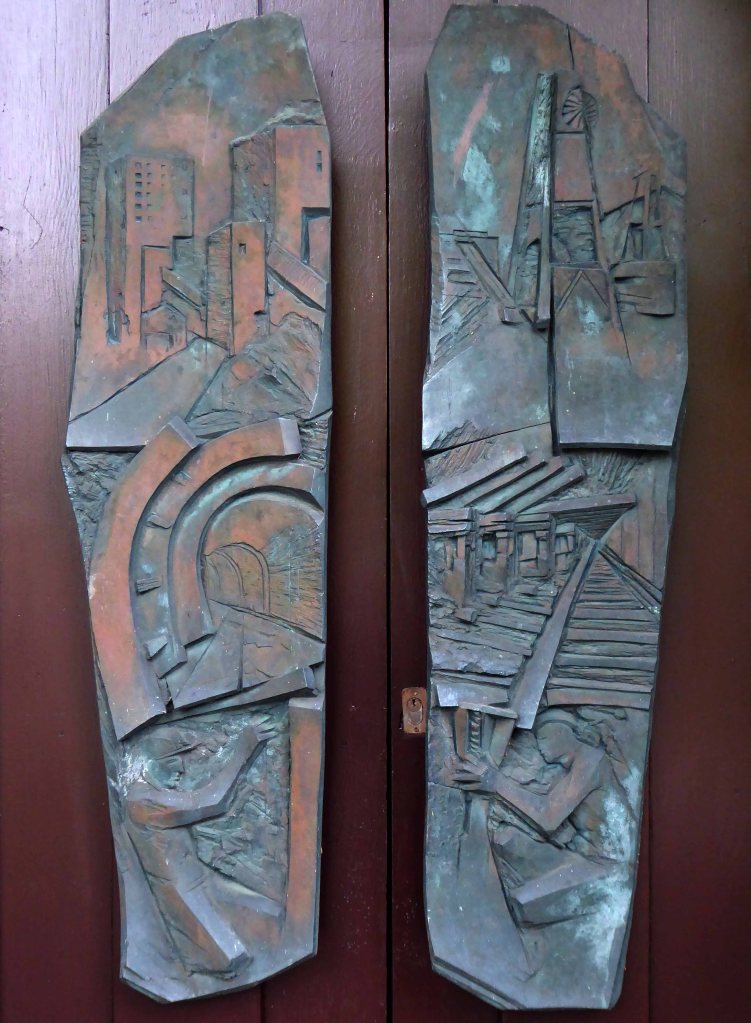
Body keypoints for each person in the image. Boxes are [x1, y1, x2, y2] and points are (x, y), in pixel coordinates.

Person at [125, 716, 275, 976]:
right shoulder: (141, 801)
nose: (182, 769)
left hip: (205, 883)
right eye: (175, 760)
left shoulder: (156, 792)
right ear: (151, 762)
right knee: (229, 959)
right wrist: (244, 748)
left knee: (272, 912)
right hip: (184, 898)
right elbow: (209, 802)